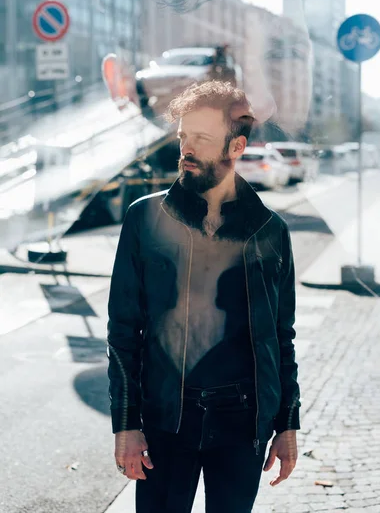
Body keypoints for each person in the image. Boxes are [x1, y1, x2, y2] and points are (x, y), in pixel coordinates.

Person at [107, 80, 301, 513]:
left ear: (236, 147)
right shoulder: (145, 219)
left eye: (202, 139)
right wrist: (126, 423)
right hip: (166, 421)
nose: (186, 149)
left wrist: (287, 424)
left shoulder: (270, 231)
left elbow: (279, 335)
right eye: (182, 137)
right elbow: (123, 330)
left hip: (243, 424)